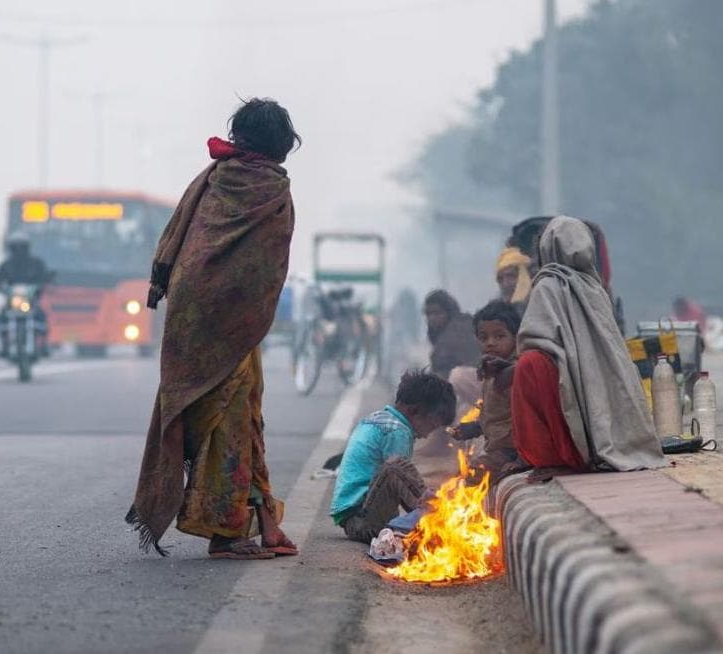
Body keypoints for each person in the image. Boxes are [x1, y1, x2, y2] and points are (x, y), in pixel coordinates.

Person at [126, 98, 301, 560]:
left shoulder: (213, 179)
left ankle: (266, 523)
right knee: (232, 421)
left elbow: (179, 239)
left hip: (190, 314)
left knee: (243, 415)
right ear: (282, 144)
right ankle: (228, 534)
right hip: (233, 320)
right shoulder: (271, 189)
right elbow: (264, 268)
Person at [513, 216, 664, 476]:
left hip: (562, 384)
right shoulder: (596, 288)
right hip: (593, 389)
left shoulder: (547, 285)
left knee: (530, 365)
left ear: (548, 247)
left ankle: (555, 457)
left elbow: (533, 341)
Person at [330, 370, 456, 543]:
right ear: (415, 411)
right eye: (431, 425)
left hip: (354, 518)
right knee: (396, 467)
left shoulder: (378, 418)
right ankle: (436, 520)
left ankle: (430, 516)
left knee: (400, 471)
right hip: (363, 521)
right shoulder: (398, 431)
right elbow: (399, 478)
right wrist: (425, 506)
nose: (427, 435)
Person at [449, 300, 527, 482]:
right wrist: (473, 428)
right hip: (498, 447)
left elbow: (528, 419)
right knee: (460, 476)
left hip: (513, 452)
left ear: (515, 337)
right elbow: (496, 415)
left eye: (499, 336)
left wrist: (521, 459)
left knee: (468, 480)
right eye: (484, 338)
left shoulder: (517, 372)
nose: (490, 343)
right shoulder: (490, 371)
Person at [0, 232, 52, 359]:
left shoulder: (36, 263)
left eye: (21, 247)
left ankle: (43, 344)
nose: (19, 251)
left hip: (31, 300)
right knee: (2, 317)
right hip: (12, 301)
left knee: (41, 317)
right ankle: (5, 345)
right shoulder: (6, 265)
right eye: (16, 247)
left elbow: (45, 276)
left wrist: (46, 281)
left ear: (27, 247)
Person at [495, 246, 532, 314]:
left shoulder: (538, 303)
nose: (505, 284)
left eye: (510, 276)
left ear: (522, 277)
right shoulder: (496, 311)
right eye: (501, 279)